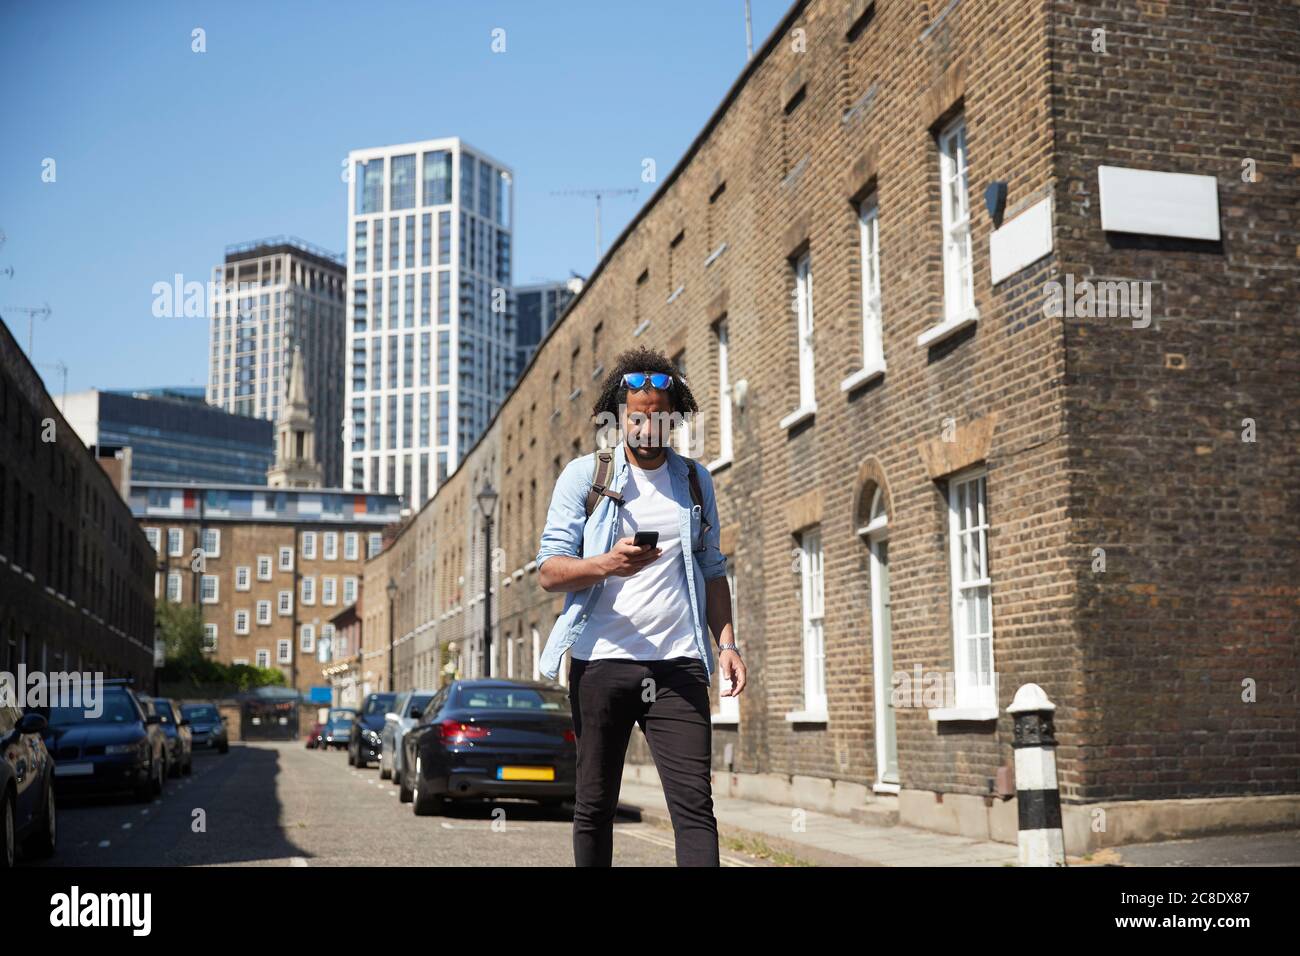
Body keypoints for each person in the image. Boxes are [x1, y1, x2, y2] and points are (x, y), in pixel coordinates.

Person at [535, 345, 746, 866]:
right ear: (619, 416)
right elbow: (548, 571)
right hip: (601, 662)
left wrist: (728, 645)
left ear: (673, 417)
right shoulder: (586, 477)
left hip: (677, 666)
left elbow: (712, 569)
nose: (647, 427)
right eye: (636, 416)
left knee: (695, 807)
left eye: (658, 416)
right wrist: (607, 564)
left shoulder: (696, 481)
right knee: (594, 806)